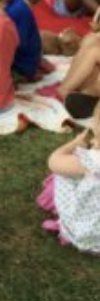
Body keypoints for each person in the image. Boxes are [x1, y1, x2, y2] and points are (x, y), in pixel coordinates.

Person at [36, 101, 100, 254]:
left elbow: (54, 161)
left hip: (90, 232)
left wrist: (75, 144)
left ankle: (69, 225)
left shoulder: (92, 160)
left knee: (64, 174)